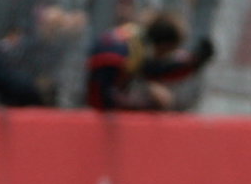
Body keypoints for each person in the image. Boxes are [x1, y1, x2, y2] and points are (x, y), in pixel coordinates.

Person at [85, 11, 214, 111]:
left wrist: (192, 63)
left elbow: (158, 68)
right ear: (164, 46)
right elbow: (103, 97)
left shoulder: (135, 40)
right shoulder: (118, 53)